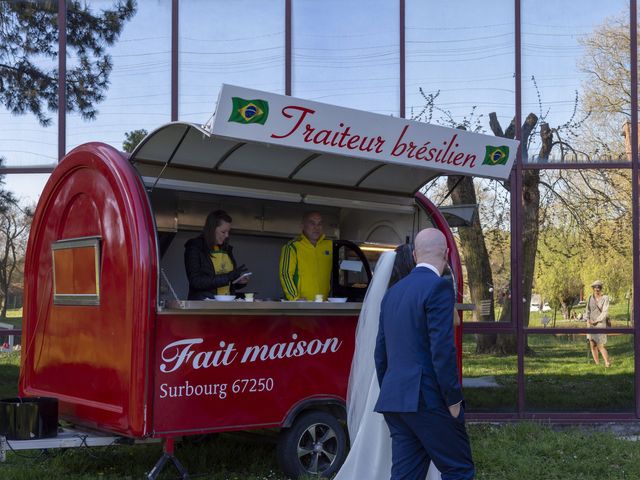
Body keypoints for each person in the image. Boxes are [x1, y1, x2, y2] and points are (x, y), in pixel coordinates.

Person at [334, 244, 441, 480]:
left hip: (384, 377)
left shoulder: (387, 297)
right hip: (410, 377)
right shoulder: (416, 296)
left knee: (381, 431)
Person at [374, 228, 474, 480]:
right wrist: (453, 400)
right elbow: (442, 349)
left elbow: (380, 353)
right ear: (447, 253)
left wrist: (391, 389)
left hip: (395, 400)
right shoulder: (439, 287)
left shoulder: (392, 293)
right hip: (427, 398)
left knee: (406, 476)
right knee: (459, 470)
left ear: (416, 255)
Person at [184, 210, 248, 300]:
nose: (227, 235)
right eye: (223, 232)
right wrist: (228, 277)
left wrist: (238, 281)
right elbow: (196, 282)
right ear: (211, 229)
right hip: (204, 305)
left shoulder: (226, 249)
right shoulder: (195, 247)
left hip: (225, 305)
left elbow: (227, 283)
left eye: (228, 232)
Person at [279, 211, 332, 300]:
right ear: (303, 226)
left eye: (319, 224)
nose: (316, 228)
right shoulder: (292, 246)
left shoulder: (330, 245)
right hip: (301, 304)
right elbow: (285, 275)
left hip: (324, 303)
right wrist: (295, 298)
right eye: (312, 223)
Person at [585, 279, 611, 367]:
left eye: (599, 287)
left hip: (600, 323)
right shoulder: (590, 297)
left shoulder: (605, 298)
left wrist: (597, 320)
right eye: (595, 287)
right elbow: (587, 310)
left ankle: (607, 363)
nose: (597, 289)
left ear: (601, 288)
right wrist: (588, 320)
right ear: (593, 288)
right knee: (592, 344)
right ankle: (597, 364)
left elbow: (605, 312)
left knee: (600, 344)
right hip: (590, 324)